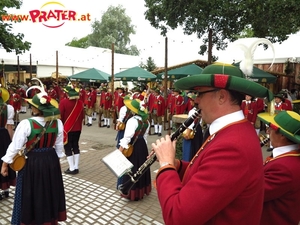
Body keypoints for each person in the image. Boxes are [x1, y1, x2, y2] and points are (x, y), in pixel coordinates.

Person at [151, 63, 273, 225]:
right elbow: (208, 173)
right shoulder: (233, 130)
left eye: (200, 93)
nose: (196, 100)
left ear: (222, 96)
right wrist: (177, 165)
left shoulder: (232, 146)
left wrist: (166, 166)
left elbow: (178, 217)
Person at [1, 78, 67, 224]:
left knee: (32, 191)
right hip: (51, 160)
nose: (31, 108)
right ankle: (48, 220)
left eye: (33, 106)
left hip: (33, 161)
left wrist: (5, 164)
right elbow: (59, 147)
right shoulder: (58, 123)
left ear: (37, 109)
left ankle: (31, 219)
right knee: (49, 191)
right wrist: (57, 163)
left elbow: (15, 147)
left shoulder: (26, 124)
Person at [258, 110, 300, 225]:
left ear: (282, 135)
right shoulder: (288, 158)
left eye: (271, 128)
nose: (268, 131)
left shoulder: (284, 168)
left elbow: (254, 193)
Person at [118, 98, 151, 201]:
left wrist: (120, 150)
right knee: (141, 168)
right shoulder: (147, 121)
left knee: (132, 169)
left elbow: (127, 137)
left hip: (133, 146)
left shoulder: (132, 121)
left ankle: (131, 193)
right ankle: (141, 192)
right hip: (142, 146)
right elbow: (145, 137)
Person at [59, 84, 84, 175]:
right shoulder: (80, 103)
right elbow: (82, 116)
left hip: (67, 129)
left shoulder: (63, 102)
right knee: (76, 146)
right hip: (78, 128)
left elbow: (60, 116)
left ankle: (72, 168)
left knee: (68, 147)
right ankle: (76, 167)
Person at [0, 86, 16, 200]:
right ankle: (6, 190)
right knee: (4, 158)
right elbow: (9, 126)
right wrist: (11, 142)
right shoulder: (8, 108)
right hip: (3, 136)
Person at [182, 93, 203, 161]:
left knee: (189, 151)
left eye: (191, 100)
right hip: (199, 131)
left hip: (192, 132)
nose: (190, 102)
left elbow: (190, 124)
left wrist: (187, 133)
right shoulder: (201, 110)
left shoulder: (192, 111)